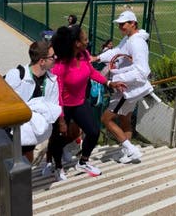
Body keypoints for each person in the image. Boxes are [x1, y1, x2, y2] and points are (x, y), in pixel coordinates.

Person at [49, 25, 126, 181]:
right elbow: (57, 95)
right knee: (59, 137)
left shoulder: (84, 54)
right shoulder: (60, 66)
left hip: (79, 102)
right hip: (63, 106)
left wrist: (109, 83)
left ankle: (83, 162)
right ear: (76, 43)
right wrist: (62, 119)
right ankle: (57, 166)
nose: (87, 41)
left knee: (93, 131)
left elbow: (91, 72)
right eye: (84, 39)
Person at [91, 10, 150, 164]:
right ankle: (128, 152)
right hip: (127, 88)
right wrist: (97, 57)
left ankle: (131, 150)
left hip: (127, 90)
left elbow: (142, 71)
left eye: (123, 24)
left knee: (106, 119)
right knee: (125, 119)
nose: (121, 27)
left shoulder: (137, 42)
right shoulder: (129, 39)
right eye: (119, 25)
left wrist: (118, 79)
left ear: (133, 24)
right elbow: (116, 51)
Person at [4, 41, 61, 163]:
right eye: (52, 56)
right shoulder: (16, 75)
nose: (55, 58)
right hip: (12, 130)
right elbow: (6, 104)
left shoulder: (52, 81)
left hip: (32, 132)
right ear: (42, 61)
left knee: (27, 159)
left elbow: (53, 110)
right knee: (9, 163)